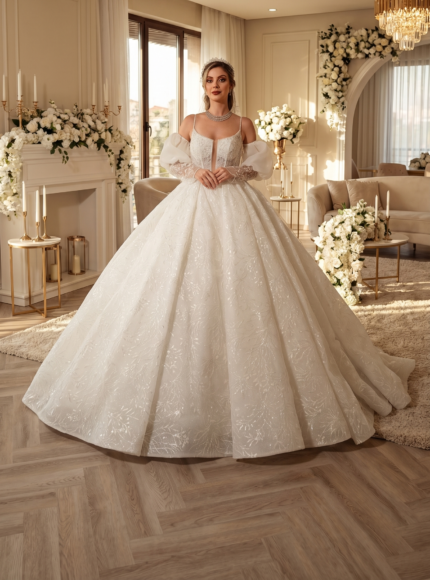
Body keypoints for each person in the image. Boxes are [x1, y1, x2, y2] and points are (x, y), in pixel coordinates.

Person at [23, 58, 414, 459]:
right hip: (190, 204)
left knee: (246, 285)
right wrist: (196, 172)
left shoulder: (243, 124)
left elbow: (261, 166)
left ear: (230, 85)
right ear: (204, 85)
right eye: (209, 79)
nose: (215, 85)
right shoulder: (190, 121)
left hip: (236, 205)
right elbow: (171, 161)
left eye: (221, 79)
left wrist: (234, 171)